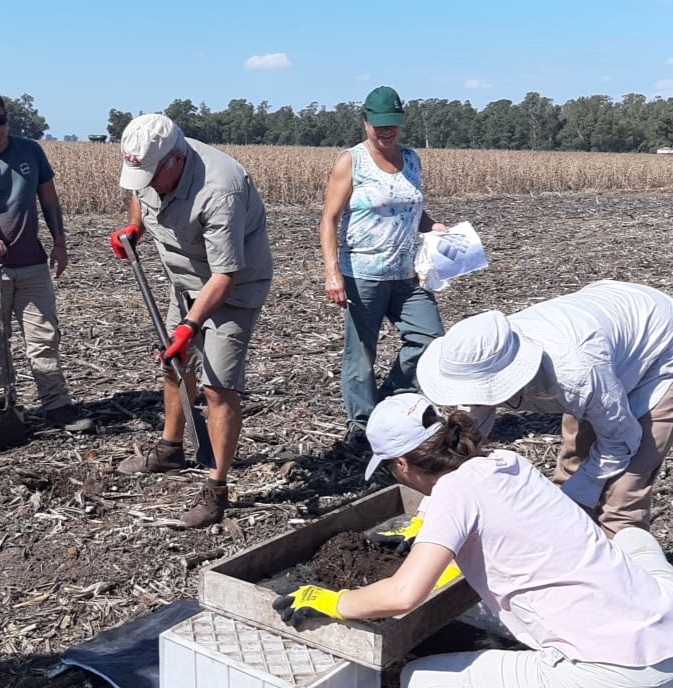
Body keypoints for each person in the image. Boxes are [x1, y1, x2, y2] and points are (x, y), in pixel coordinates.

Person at [273, 393, 673, 688]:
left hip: (615, 667)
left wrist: (332, 601)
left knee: (417, 678)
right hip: (661, 619)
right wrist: (430, 529)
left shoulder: (454, 493)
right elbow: (502, 530)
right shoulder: (507, 463)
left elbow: (402, 596)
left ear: (400, 463)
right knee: (634, 538)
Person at [110, 113, 273, 528]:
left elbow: (225, 274)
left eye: (151, 174)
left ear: (176, 160)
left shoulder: (221, 188)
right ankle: (170, 448)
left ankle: (216, 489)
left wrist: (189, 326)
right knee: (173, 363)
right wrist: (134, 227)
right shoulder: (154, 166)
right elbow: (140, 192)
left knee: (218, 387)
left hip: (230, 289)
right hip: (182, 279)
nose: (146, 182)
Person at [416, 279, 673, 537]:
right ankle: (571, 544)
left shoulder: (575, 374)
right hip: (607, 336)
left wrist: (582, 490)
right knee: (573, 464)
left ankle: (622, 563)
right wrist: (437, 499)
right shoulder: (479, 354)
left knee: (622, 497)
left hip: (660, 348)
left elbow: (621, 439)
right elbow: (471, 431)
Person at [0, 86, 93, 434]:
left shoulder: (30, 151)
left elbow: (50, 201)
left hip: (32, 263)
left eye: (1, 121)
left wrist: (59, 243)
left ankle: (57, 406)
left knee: (44, 337)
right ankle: (5, 408)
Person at [318, 85, 447, 454]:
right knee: (361, 354)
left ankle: (388, 401)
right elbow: (329, 218)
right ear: (365, 121)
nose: (385, 131)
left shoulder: (411, 158)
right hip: (363, 274)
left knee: (430, 340)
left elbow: (410, 209)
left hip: (408, 273)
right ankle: (361, 425)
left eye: (392, 124)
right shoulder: (352, 161)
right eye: (378, 125)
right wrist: (332, 272)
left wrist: (433, 227)